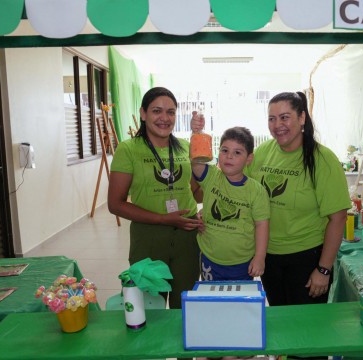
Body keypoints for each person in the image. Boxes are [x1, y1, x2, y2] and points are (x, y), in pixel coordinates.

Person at [246, 92, 350, 308]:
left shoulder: (323, 160)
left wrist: (324, 269)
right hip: (270, 258)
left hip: (306, 258)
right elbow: (241, 189)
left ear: (302, 118)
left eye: (284, 117)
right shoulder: (263, 152)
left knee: (307, 328)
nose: (277, 125)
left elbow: (338, 218)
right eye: (272, 119)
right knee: (280, 320)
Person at [108, 87, 202, 309]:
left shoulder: (185, 149)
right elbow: (115, 204)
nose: (164, 118)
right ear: (143, 113)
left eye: (170, 112)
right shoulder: (128, 149)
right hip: (148, 239)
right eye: (157, 111)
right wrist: (163, 219)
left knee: (184, 306)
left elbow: (196, 192)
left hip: (187, 238)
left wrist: (225, 186)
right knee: (149, 307)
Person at [189, 124, 270, 281]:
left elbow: (262, 225)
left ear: (249, 159)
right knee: (213, 302)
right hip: (209, 258)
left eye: (237, 152)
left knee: (238, 304)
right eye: (224, 150)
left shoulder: (256, 191)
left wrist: (260, 257)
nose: (229, 156)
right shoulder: (211, 176)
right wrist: (197, 133)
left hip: (242, 263)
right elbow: (196, 162)